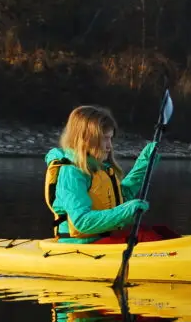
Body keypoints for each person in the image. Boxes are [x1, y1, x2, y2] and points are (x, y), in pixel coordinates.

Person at [44, 105, 179, 244]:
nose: (109, 146)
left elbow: (121, 197)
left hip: (103, 238)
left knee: (161, 232)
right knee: (148, 237)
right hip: (82, 244)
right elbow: (82, 221)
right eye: (104, 139)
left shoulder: (100, 167)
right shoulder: (71, 173)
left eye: (110, 138)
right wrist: (125, 211)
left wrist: (144, 164)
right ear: (86, 139)